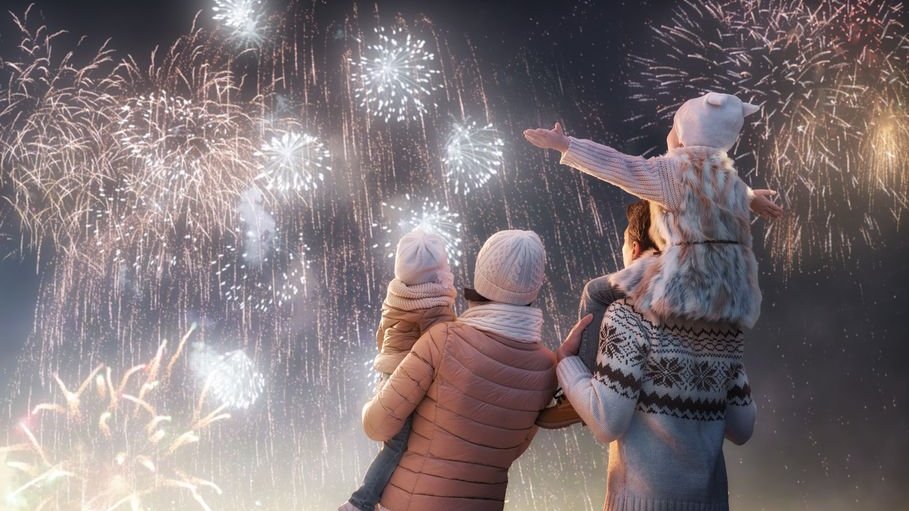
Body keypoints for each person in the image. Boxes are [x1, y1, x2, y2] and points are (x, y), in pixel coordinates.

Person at [524, 91, 783, 331]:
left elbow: (619, 166)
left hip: (687, 285)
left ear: (683, 138)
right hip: (732, 291)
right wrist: (753, 199)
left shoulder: (671, 174)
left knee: (596, 292)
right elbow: (732, 193)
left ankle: (585, 360)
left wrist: (566, 145)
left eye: (674, 127)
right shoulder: (726, 177)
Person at [361, 230, 558, 511]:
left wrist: (373, 398)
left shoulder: (443, 339)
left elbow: (377, 426)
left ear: (482, 272)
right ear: (536, 285)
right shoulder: (548, 368)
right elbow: (509, 450)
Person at [340, 229, 456, 511]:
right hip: (408, 381)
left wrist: (388, 362)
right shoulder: (435, 304)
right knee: (400, 445)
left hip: (387, 375)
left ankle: (383, 498)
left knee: (396, 444)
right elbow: (441, 346)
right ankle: (361, 502)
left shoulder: (397, 296)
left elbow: (382, 335)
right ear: (439, 272)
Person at [536, 199, 659, 429]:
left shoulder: (623, 317)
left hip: (644, 462)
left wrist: (569, 365)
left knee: (594, 291)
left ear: (635, 250)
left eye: (623, 244)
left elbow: (607, 423)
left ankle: (579, 392)